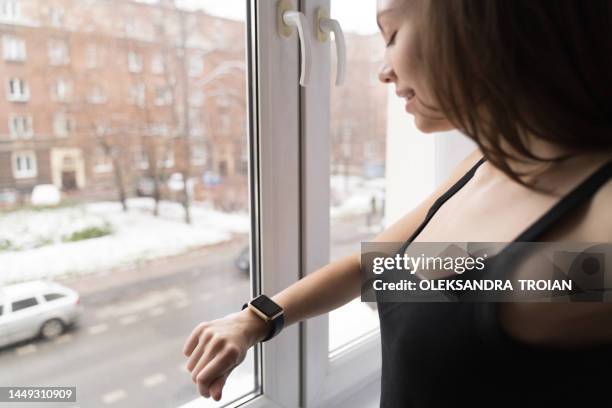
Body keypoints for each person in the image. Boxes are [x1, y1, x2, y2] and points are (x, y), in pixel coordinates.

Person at [183, 0, 612, 405]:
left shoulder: (598, 221)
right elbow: (376, 268)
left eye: (391, 35)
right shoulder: (483, 166)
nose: (383, 72)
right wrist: (255, 319)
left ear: (476, 23)